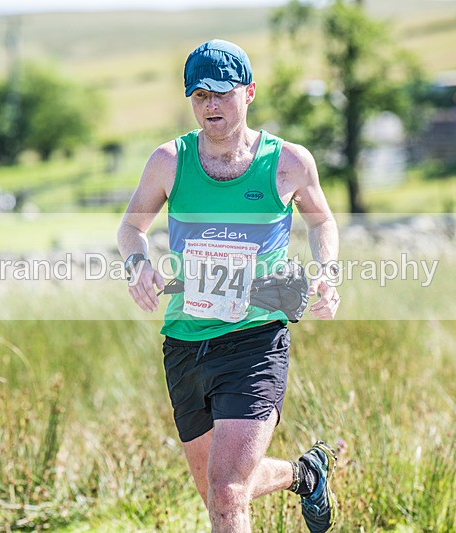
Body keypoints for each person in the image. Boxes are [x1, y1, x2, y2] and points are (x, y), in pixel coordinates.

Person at [117, 39, 341, 533]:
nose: (210, 105)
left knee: (227, 493)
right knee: (217, 490)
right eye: (199, 95)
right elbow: (131, 229)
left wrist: (327, 270)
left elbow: (321, 222)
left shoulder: (289, 162)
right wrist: (139, 266)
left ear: (250, 92)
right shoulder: (168, 161)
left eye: (221, 93)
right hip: (185, 342)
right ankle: (304, 473)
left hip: (255, 339)